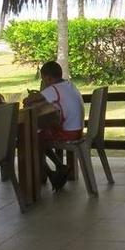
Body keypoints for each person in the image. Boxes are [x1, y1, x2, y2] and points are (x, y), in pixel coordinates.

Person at [25, 61, 85, 191]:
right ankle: (57, 168)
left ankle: (47, 174)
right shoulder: (68, 84)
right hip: (77, 130)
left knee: (31, 138)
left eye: (44, 80)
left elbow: (29, 101)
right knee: (38, 134)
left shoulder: (53, 88)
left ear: (48, 78)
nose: (44, 83)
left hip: (68, 133)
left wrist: (33, 96)